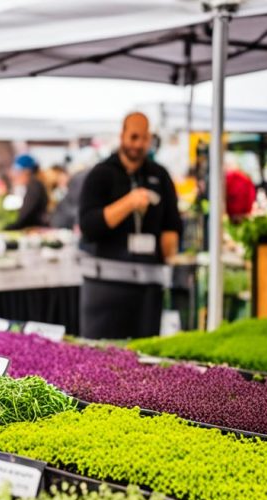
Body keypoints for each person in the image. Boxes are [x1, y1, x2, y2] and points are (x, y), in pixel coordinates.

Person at [78, 112, 182, 339]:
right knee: (101, 357)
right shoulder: (100, 174)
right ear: (122, 135)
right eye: (134, 137)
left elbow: (172, 223)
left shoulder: (160, 175)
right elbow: (89, 226)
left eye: (144, 138)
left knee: (144, 359)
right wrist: (129, 203)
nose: (138, 144)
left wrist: (170, 250)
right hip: (104, 287)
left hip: (148, 287)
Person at [5, 153, 49, 230]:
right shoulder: (34, 185)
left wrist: (6, 228)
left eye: (16, 172)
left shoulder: (34, 186)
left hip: (34, 230)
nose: (13, 175)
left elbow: (24, 214)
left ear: (26, 172)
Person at [224, 154, 255, 224]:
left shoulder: (227, 179)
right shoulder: (245, 179)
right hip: (242, 215)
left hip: (232, 214)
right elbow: (251, 196)